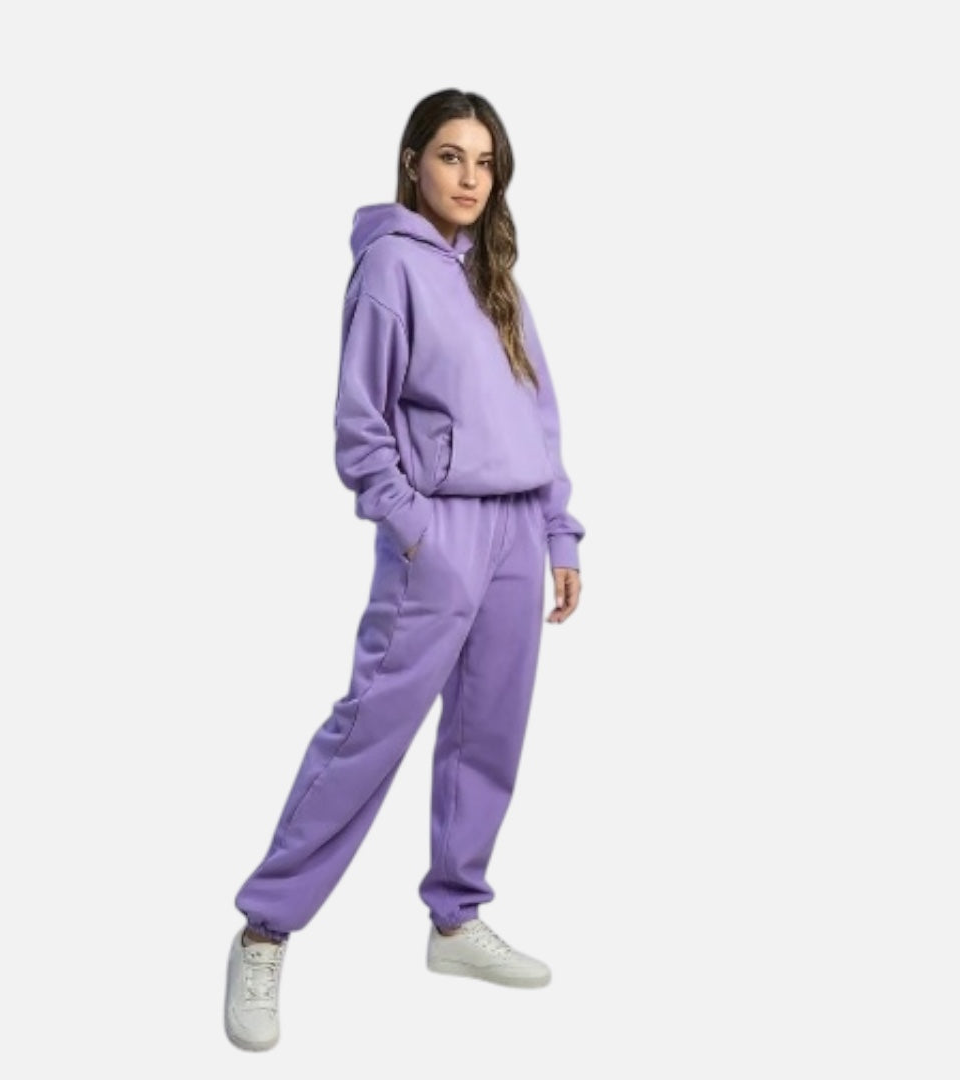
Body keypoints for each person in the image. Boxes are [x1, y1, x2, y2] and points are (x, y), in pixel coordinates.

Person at [224, 87, 586, 1052]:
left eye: (484, 162)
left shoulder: (496, 275)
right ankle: (265, 929)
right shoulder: (390, 264)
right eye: (450, 157)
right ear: (413, 163)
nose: (469, 178)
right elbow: (360, 426)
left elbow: (539, 413)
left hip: (516, 528)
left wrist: (558, 531)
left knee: (489, 733)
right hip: (441, 532)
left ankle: (455, 920)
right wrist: (418, 530)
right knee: (368, 734)